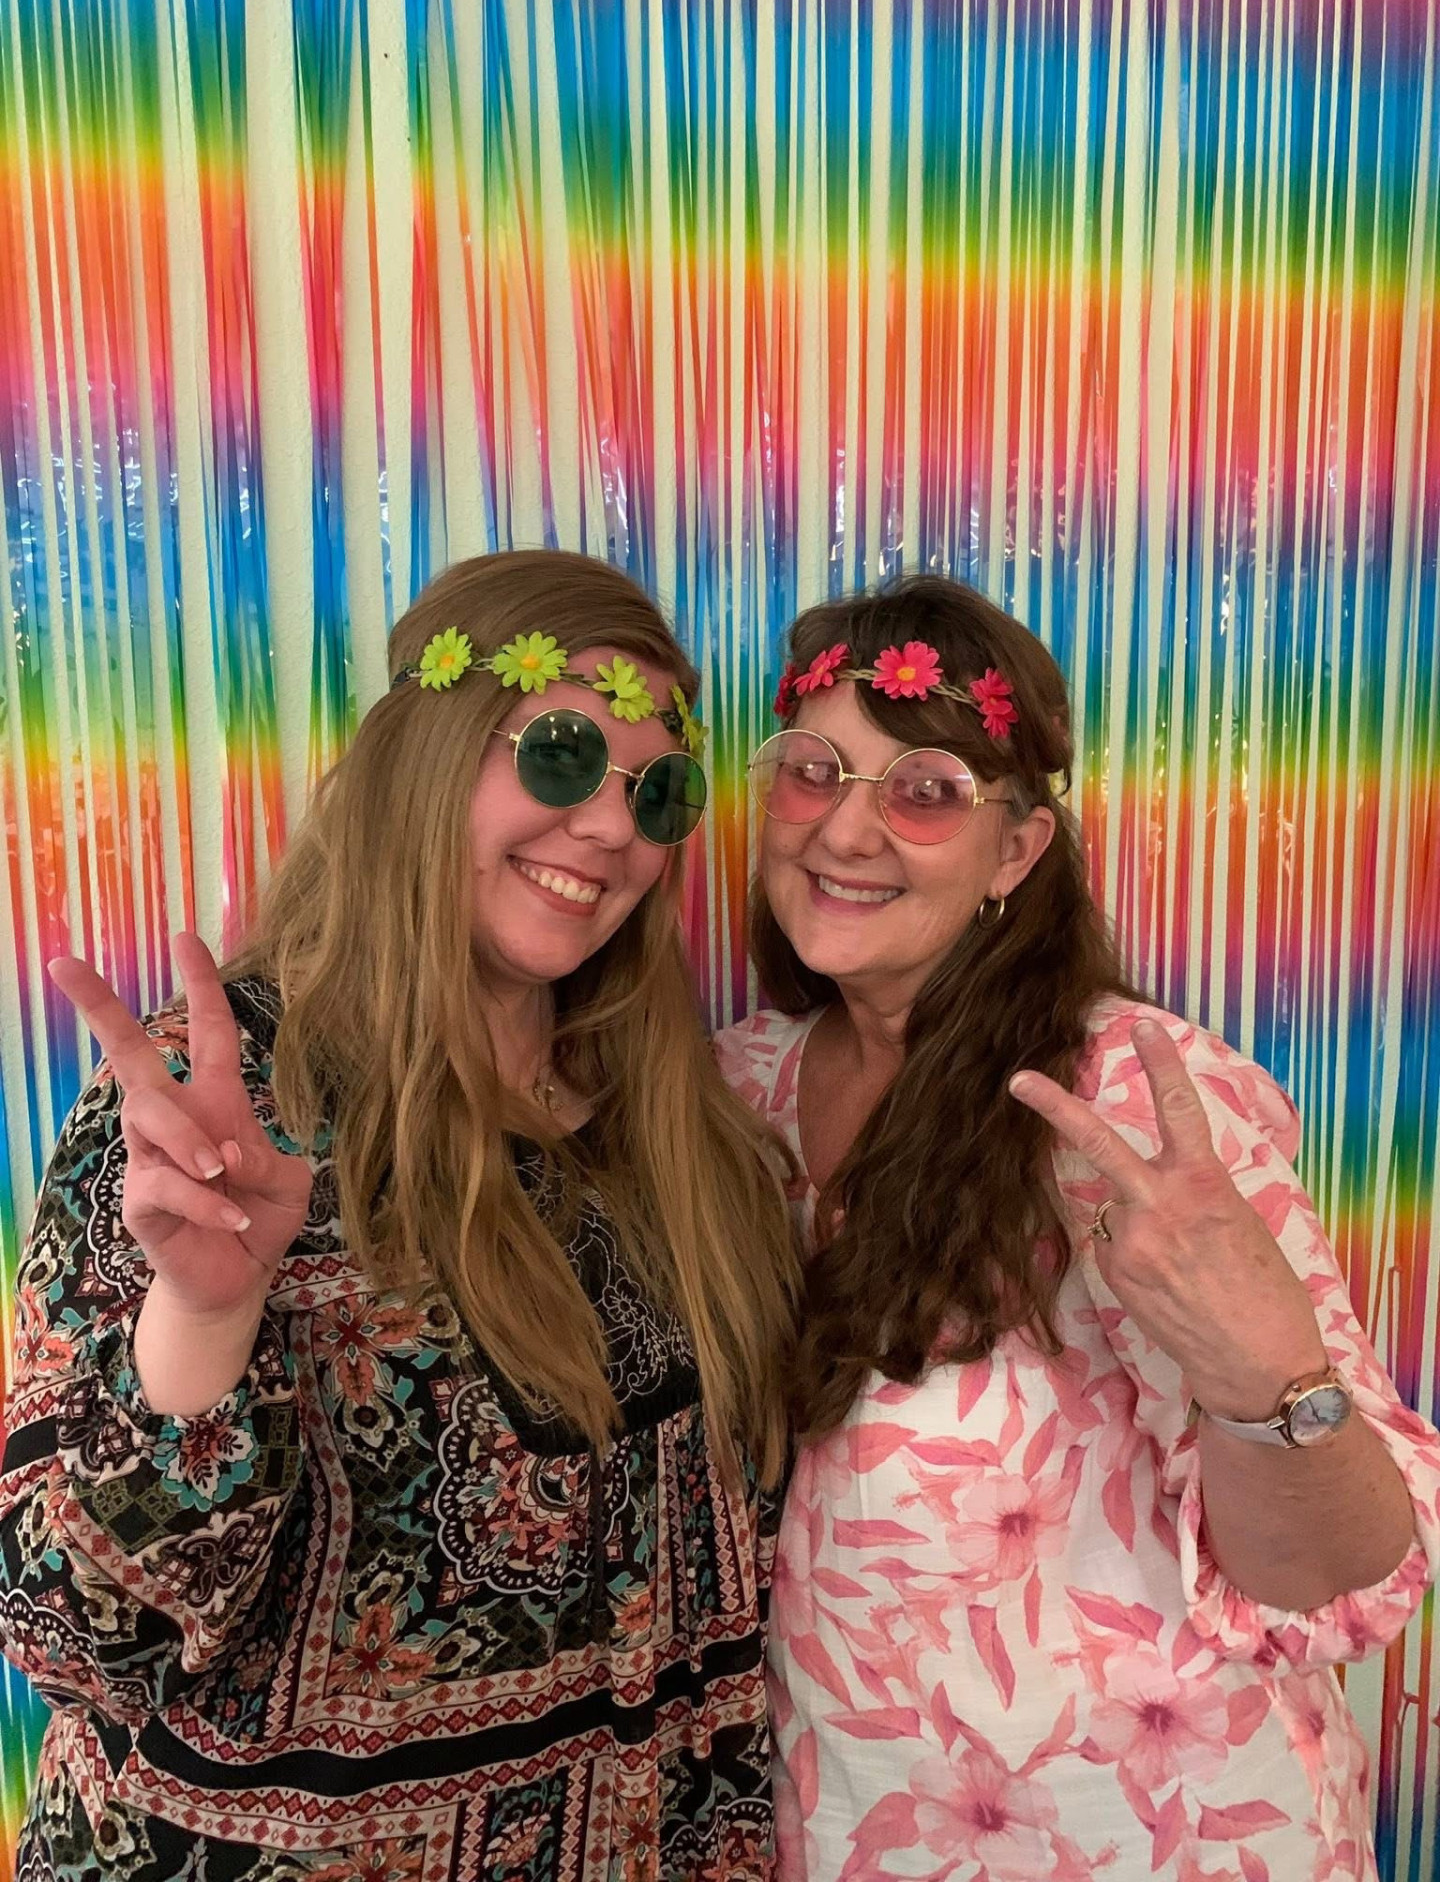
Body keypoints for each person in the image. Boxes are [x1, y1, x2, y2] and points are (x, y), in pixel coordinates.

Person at [0, 550, 799, 1882]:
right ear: (424, 758)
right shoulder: (222, 1108)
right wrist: (204, 1317)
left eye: (657, 791)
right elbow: (73, 1637)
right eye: (560, 756)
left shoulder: (680, 1131)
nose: (614, 831)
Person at [715, 574, 1440, 1882]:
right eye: (814, 774)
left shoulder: (1134, 1101)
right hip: (855, 1830)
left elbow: (1339, 1578)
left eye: (925, 791)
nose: (847, 830)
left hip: (1155, 1837)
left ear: (1016, 852)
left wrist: (1265, 1374)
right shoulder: (734, 1091)